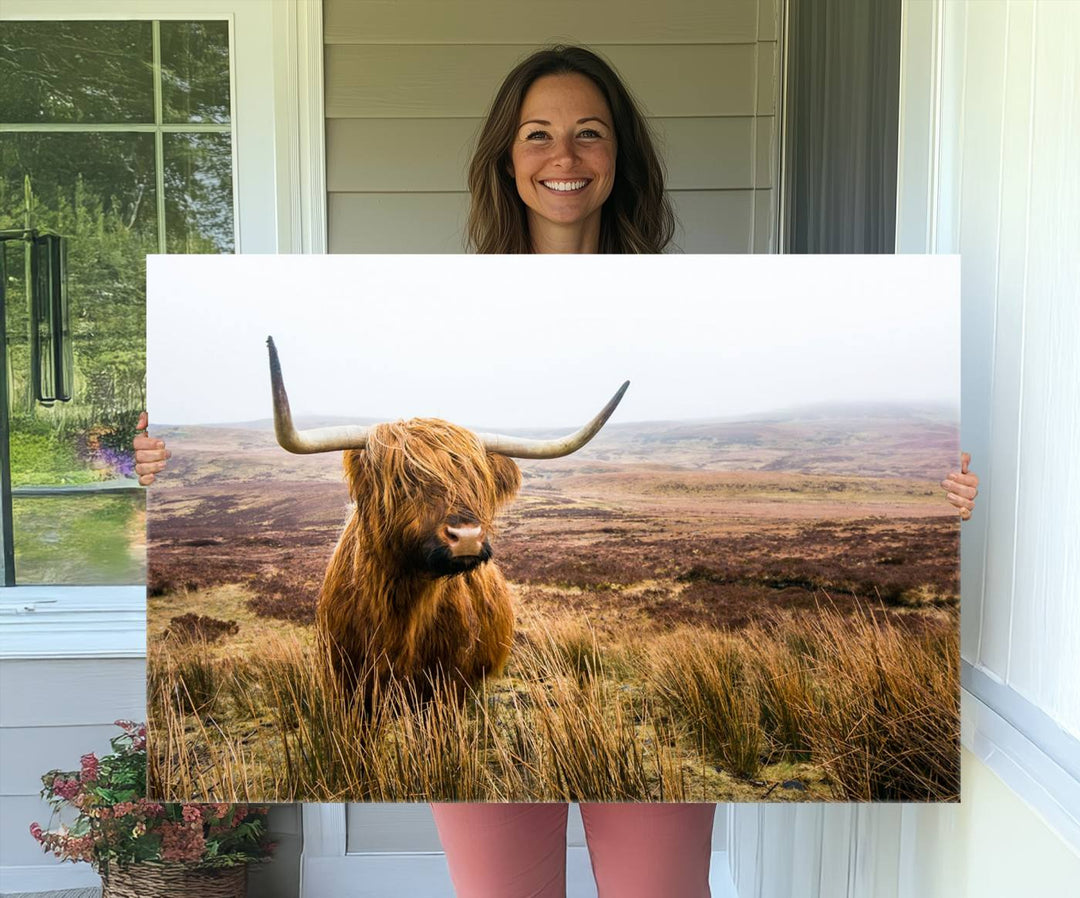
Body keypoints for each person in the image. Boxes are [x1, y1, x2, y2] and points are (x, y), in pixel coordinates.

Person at [136, 45, 979, 898]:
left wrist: (936, 500)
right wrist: (159, 468)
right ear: (508, 158)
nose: (564, 157)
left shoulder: (685, 303)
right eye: (538, 135)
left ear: (620, 158)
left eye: (590, 134)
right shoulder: (438, 298)